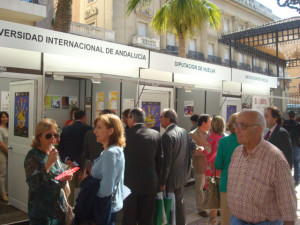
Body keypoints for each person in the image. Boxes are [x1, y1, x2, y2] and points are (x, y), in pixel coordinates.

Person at [228, 110, 297, 225]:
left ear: (258, 130)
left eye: (243, 126)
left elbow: (288, 204)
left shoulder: (275, 158)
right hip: (236, 220)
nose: (237, 130)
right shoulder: (237, 152)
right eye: (236, 125)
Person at [24, 118, 73, 225]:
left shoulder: (53, 153)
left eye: (55, 135)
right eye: (48, 136)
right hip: (42, 212)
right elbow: (33, 183)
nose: (53, 139)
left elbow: (57, 176)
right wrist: (49, 163)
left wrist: (65, 177)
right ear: (39, 137)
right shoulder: (33, 155)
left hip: (58, 209)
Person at [122, 108, 163, 225]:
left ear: (132, 118)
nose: (126, 120)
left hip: (129, 183)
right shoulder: (155, 134)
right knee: (147, 217)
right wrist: (159, 181)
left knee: (129, 217)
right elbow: (160, 160)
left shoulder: (125, 135)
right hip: (150, 183)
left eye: (127, 117)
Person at [160, 108, 197, 225]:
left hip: (171, 177)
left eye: (161, 117)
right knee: (179, 202)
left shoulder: (167, 135)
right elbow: (193, 146)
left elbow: (167, 161)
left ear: (168, 119)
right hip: (182, 175)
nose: (159, 120)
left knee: (170, 204)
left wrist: (163, 181)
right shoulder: (183, 131)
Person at [91, 114, 126, 225]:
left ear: (111, 131)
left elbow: (106, 189)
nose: (95, 131)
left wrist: (90, 193)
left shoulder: (110, 153)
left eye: (99, 127)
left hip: (104, 206)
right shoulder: (114, 151)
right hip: (112, 205)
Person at [58, 110, 93, 206]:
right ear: (84, 117)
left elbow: (61, 148)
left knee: (70, 191)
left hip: (69, 166)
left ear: (73, 117)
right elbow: (87, 149)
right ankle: (80, 213)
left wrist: (67, 160)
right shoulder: (89, 130)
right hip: (83, 166)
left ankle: (70, 212)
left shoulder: (65, 129)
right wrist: (77, 162)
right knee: (82, 190)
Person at [214, 113, 240, 225]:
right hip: (244, 185)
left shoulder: (223, 141)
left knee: (226, 218)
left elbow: (218, 165)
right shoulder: (248, 142)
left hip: (226, 183)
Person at [189, 114, 212, 218]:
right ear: (204, 123)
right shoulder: (193, 134)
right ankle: (201, 208)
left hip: (211, 165)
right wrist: (204, 151)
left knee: (211, 186)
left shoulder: (210, 133)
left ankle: (213, 207)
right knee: (200, 187)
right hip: (200, 165)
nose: (211, 124)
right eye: (209, 122)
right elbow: (191, 151)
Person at [205, 115, 225, 225]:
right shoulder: (224, 136)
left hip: (211, 169)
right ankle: (223, 218)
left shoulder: (210, 136)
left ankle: (212, 220)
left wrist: (201, 149)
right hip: (222, 171)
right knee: (222, 194)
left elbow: (207, 151)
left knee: (213, 196)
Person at [283, 110, 300, 185]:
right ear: (295, 116)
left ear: (288, 116)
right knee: (296, 163)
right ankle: (297, 179)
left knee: (287, 164)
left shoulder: (285, 124)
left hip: (287, 146)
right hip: (296, 146)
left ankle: (287, 179)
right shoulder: (298, 125)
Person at [0, 111, 9, 202]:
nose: (5, 119)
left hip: (8, 152)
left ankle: (4, 191)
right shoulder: (0, 129)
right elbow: (1, 144)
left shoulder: (8, 128)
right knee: (2, 174)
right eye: (3, 117)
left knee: (6, 174)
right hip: (2, 154)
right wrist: (7, 152)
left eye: (6, 117)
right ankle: (2, 194)